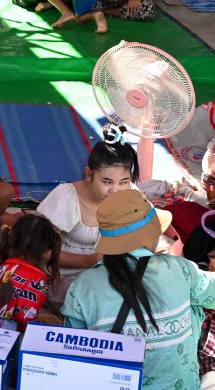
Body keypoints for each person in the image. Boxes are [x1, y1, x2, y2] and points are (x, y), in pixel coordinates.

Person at [63, 190, 215, 390]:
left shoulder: (84, 285)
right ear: (151, 233)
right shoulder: (180, 268)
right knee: (195, 302)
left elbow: (71, 345)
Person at [36, 132, 139, 307]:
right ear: (89, 174)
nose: (115, 190)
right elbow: (41, 251)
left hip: (102, 275)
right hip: (61, 278)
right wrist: (88, 260)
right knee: (101, 299)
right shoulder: (67, 197)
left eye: (123, 182)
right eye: (107, 182)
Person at [0, 214, 61, 330]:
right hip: (10, 335)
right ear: (47, 251)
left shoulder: (2, 265)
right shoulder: (37, 282)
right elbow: (25, 317)